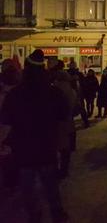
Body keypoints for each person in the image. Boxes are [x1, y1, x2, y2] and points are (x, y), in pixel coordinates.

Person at [0, 50, 69, 222]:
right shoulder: (53, 93)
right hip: (47, 148)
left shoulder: (15, 94)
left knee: (28, 189)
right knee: (51, 186)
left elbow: (6, 124)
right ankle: (57, 214)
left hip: (23, 151)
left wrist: (2, 142)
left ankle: (35, 216)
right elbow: (64, 119)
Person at [49, 61, 78, 179]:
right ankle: (65, 168)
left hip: (59, 120)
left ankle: (59, 170)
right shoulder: (71, 88)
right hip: (68, 118)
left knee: (58, 145)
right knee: (65, 144)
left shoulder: (57, 89)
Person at [0, 58, 21, 188]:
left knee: (8, 156)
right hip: (15, 129)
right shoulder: (22, 88)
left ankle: (11, 181)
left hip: (9, 128)